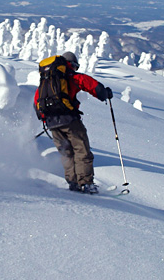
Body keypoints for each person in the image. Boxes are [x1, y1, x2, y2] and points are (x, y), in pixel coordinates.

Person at [34, 52, 113, 194]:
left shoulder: (45, 81)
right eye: (75, 66)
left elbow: (37, 102)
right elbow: (94, 87)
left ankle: (73, 183)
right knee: (82, 151)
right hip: (69, 120)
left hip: (52, 123)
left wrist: (47, 119)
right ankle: (86, 183)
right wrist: (105, 94)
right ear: (72, 64)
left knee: (66, 153)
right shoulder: (71, 76)